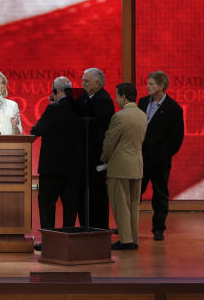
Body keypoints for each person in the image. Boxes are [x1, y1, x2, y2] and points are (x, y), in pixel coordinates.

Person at [31, 76, 83, 233]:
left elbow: (36, 130)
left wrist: (52, 104)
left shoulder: (54, 108)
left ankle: (49, 239)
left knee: (47, 204)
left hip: (52, 167)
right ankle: (69, 237)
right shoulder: (80, 107)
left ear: (57, 90)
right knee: (70, 206)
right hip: (74, 167)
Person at [138, 70, 185, 241]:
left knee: (160, 195)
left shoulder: (174, 109)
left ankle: (159, 229)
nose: (147, 86)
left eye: (151, 84)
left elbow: (176, 139)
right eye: (148, 83)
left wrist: (161, 155)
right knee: (134, 193)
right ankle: (127, 228)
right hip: (139, 159)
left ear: (161, 86)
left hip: (159, 162)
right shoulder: (142, 103)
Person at [101, 82, 147, 250]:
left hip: (120, 166)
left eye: (117, 96)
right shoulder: (142, 115)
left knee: (121, 205)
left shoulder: (119, 116)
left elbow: (109, 142)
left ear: (124, 96)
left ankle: (126, 240)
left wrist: (103, 158)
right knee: (134, 205)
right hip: (136, 165)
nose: (116, 99)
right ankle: (133, 238)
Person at [77, 67, 114, 229]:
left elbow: (90, 123)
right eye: (83, 80)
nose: (82, 83)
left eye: (86, 81)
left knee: (97, 192)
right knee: (85, 193)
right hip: (84, 157)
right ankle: (86, 226)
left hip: (96, 157)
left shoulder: (103, 100)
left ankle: (99, 228)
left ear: (97, 83)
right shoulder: (84, 97)